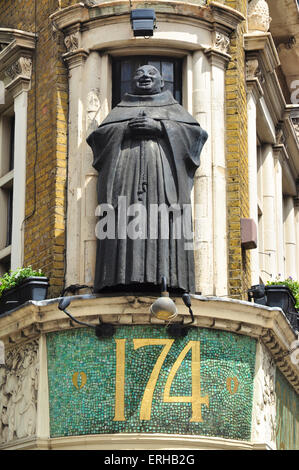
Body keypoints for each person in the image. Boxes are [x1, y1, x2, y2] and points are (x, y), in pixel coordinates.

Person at [87, 65, 208, 294]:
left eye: (152, 73)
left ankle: (167, 276)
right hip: (125, 176)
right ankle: (118, 277)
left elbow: (196, 136)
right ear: (132, 81)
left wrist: (161, 127)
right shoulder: (120, 110)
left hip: (162, 177)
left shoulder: (174, 109)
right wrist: (124, 130)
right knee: (124, 219)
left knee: (162, 221)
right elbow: (98, 139)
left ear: (163, 83)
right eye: (139, 72)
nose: (144, 76)